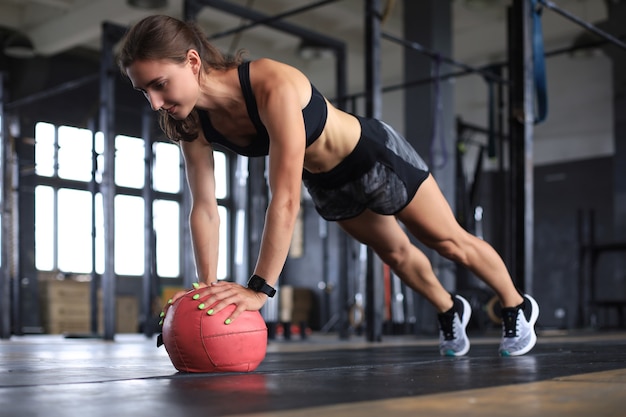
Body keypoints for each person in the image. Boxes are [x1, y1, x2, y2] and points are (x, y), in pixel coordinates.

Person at [118, 14, 539, 357]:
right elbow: (204, 207)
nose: (155, 102)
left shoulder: (271, 84)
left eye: (160, 85)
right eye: (144, 91)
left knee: (447, 241)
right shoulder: (189, 121)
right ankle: (450, 309)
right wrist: (207, 290)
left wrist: (259, 289)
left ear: (192, 62)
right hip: (325, 181)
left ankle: (516, 304)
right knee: (394, 252)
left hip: (373, 156)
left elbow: (283, 198)